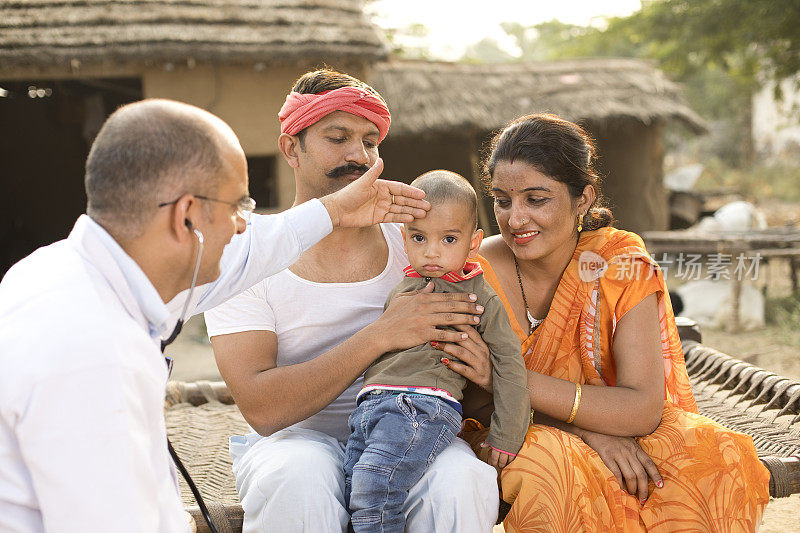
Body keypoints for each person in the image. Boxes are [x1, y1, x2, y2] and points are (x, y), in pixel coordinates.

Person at [0, 98, 431, 532]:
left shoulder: (64, 272)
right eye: (238, 206)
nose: (245, 224)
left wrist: (334, 211)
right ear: (187, 216)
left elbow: (258, 249)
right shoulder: (91, 350)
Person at [205, 70, 499, 533]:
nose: (357, 156)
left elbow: (472, 368)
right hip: (295, 441)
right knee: (299, 476)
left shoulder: (420, 244)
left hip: (414, 432)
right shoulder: (248, 258)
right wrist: (381, 335)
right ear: (291, 148)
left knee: (461, 480)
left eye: (370, 141)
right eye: (337, 137)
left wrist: (484, 372)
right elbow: (263, 410)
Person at [447, 113, 772, 532]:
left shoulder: (620, 264)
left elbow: (641, 410)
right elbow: (474, 403)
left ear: (583, 199)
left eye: (537, 199)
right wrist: (588, 433)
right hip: (507, 434)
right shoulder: (474, 273)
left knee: (716, 452)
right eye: (503, 200)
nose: (515, 219)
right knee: (555, 466)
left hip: (615, 425)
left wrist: (506, 376)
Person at [343, 170, 529, 532]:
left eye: (448, 239)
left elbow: (509, 363)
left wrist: (506, 435)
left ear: (473, 243)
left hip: (422, 406)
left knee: (375, 492)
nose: (431, 252)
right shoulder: (402, 289)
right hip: (371, 407)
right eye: (419, 237)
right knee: (353, 491)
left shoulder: (477, 293)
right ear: (404, 237)